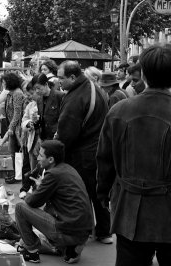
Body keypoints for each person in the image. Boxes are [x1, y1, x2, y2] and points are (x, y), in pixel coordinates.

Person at [96, 44, 171, 266]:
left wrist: (103, 194)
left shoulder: (119, 111)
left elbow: (104, 160)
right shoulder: (118, 111)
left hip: (130, 207)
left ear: (144, 73)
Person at [56, 60, 112, 244]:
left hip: (82, 154)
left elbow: (67, 133)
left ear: (73, 77)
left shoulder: (76, 97)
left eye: (61, 78)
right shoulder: (94, 87)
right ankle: (103, 231)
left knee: (82, 193)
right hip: (98, 149)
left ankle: (88, 230)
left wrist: (56, 152)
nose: (59, 82)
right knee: (98, 191)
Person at [15, 140, 93, 264]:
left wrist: (31, 192)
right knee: (50, 205)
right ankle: (71, 247)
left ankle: (32, 252)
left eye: (41, 155)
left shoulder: (53, 174)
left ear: (51, 159)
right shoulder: (68, 169)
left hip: (68, 229)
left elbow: (33, 202)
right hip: (83, 230)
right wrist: (43, 187)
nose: (38, 157)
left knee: (20, 207)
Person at [0, 72, 26, 184]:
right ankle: (17, 175)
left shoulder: (17, 93)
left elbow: (17, 113)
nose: (3, 84)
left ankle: (19, 176)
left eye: (4, 82)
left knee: (18, 153)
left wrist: (11, 128)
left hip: (17, 128)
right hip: (13, 127)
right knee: (13, 152)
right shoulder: (10, 93)